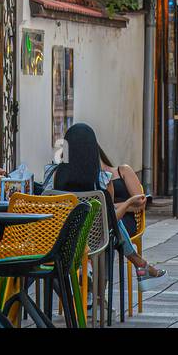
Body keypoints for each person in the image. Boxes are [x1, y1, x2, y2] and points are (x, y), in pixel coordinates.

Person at [47, 123, 166, 288]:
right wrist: (129, 203)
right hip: (98, 234)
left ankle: (86, 272)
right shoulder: (103, 179)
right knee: (110, 233)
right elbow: (109, 219)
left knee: (108, 232)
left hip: (65, 234)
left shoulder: (55, 176)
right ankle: (102, 291)